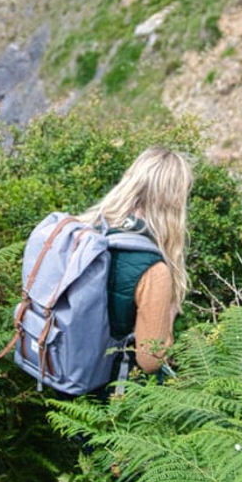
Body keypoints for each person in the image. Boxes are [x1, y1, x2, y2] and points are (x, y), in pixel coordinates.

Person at [81, 146, 193, 382]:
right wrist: (168, 317)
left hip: (60, 367)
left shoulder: (85, 229)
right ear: (174, 202)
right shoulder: (154, 270)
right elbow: (150, 360)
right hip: (106, 396)